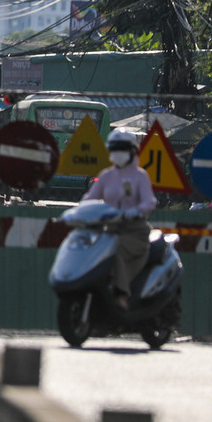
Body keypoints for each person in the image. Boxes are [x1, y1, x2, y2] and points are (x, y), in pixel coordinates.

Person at [82, 129, 157, 309]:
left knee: (113, 250)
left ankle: (122, 295)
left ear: (132, 151)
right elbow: (90, 198)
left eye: (122, 148)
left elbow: (150, 201)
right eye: (114, 149)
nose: (118, 153)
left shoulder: (140, 176)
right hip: (110, 229)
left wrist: (136, 211)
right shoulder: (106, 176)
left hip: (135, 231)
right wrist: (81, 209)